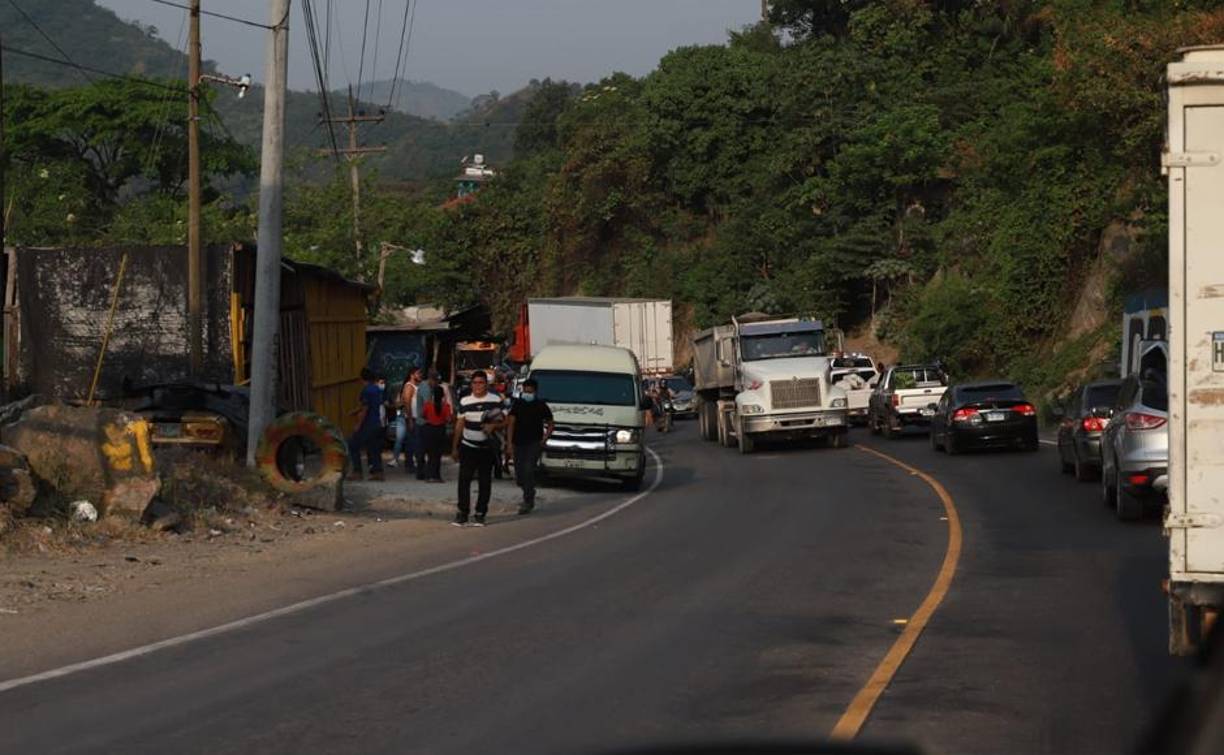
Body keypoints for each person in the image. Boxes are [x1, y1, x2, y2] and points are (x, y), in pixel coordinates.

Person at [451, 370, 505, 527]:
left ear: (486, 384)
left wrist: (493, 426)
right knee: (464, 480)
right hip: (468, 446)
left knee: (484, 481)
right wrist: (454, 447)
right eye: (474, 383)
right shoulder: (465, 401)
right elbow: (459, 424)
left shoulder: (495, 400)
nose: (477, 386)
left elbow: (505, 420)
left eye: (481, 382)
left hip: (487, 447)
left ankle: (480, 513)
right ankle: (462, 512)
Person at [505, 378, 553, 515]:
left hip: (534, 443)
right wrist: (509, 443)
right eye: (525, 390)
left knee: (528, 469)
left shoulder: (541, 405)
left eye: (530, 391)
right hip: (518, 442)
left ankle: (528, 500)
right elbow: (511, 424)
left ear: (535, 391)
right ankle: (528, 488)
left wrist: (545, 438)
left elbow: (550, 423)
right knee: (519, 474)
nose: (527, 393)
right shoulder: (518, 404)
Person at [348, 368, 385, 481]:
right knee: (374, 447)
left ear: (362, 378)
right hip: (377, 422)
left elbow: (365, 408)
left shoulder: (366, 390)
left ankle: (357, 471)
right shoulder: (377, 389)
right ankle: (377, 471)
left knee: (353, 444)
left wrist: (358, 424)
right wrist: (355, 411)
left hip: (368, 423)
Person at [420, 371, 452, 483]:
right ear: (443, 395)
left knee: (430, 454)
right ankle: (437, 476)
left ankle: (429, 475)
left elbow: (423, 415)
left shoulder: (428, 405)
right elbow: (448, 419)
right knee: (437, 455)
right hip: (440, 430)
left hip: (429, 429)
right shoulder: (445, 406)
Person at [389, 368, 422, 473]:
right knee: (411, 442)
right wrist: (410, 419)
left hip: (416, 417)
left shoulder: (417, 386)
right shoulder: (409, 386)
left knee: (414, 441)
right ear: (412, 375)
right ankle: (409, 465)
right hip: (410, 418)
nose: (420, 375)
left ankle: (413, 463)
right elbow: (407, 403)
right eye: (418, 373)